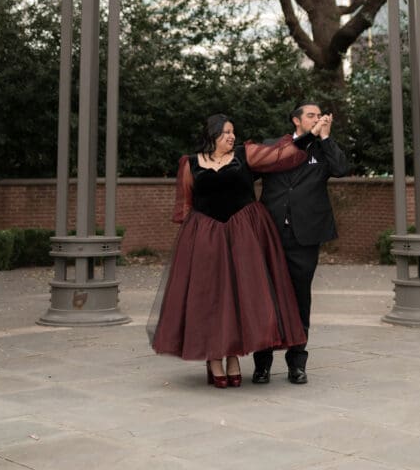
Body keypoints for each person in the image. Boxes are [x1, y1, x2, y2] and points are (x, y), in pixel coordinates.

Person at [149, 113, 311, 388]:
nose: (231, 136)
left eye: (232, 132)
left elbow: (279, 154)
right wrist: (191, 243)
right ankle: (213, 358)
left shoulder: (245, 155)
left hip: (243, 235)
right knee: (209, 297)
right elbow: (186, 205)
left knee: (240, 295)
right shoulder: (190, 163)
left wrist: (310, 135)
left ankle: (234, 356)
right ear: (211, 136)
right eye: (225, 133)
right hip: (205, 237)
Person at [252, 102, 349, 385]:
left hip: (305, 237)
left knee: (299, 299)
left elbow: (342, 169)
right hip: (269, 235)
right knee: (265, 298)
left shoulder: (323, 149)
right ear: (296, 121)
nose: (317, 119)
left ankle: (297, 363)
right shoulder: (274, 147)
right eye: (311, 115)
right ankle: (262, 364)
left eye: (320, 116)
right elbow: (251, 169)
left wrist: (326, 137)